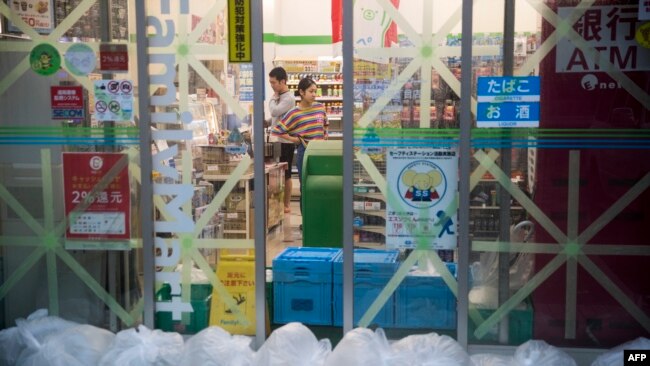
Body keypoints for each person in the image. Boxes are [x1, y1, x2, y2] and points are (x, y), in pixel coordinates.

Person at [271, 77, 327, 216]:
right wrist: (295, 140)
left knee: (321, 186)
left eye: (315, 91)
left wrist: (325, 137)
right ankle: (307, 221)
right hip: (305, 151)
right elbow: (277, 130)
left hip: (321, 151)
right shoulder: (294, 113)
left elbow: (325, 125)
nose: (314, 94)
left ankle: (319, 217)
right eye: (311, 91)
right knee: (306, 187)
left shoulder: (320, 108)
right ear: (301, 92)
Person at [267, 67, 296, 214]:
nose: (271, 85)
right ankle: (278, 202)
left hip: (286, 142)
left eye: (273, 82)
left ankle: (286, 204)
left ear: (282, 81)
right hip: (277, 140)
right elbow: (277, 117)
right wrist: (267, 122)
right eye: (270, 82)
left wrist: (272, 98)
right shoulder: (281, 96)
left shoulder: (288, 98)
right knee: (277, 173)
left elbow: (274, 111)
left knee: (287, 173)